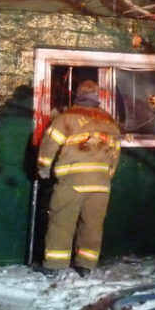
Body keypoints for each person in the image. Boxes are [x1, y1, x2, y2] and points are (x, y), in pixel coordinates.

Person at [36, 80, 121, 276]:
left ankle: (54, 267)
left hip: (72, 181)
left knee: (62, 222)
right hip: (100, 185)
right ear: (97, 97)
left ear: (77, 95)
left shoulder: (67, 117)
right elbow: (115, 154)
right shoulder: (110, 121)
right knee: (92, 226)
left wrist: (43, 168)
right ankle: (85, 265)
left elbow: (50, 145)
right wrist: (106, 176)